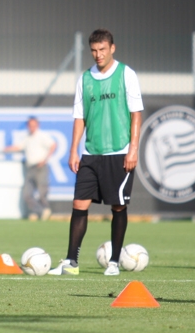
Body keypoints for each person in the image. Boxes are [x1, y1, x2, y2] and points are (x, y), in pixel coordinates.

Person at [48, 28, 143, 276]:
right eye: (94, 50)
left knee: (118, 207)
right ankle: (71, 262)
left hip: (119, 152)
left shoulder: (126, 74)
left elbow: (136, 114)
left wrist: (133, 149)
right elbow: (79, 117)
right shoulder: (85, 79)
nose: (98, 54)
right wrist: (73, 150)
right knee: (79, 204)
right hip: (91, 153)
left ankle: (113, 262)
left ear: (112, 48)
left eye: (102, 49)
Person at [4, 117, 56, 221]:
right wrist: (6, 149)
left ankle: (45, 210)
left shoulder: (42, 136)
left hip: (40, 166)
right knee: (27, 194)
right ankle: (38, 211)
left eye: (34, 125)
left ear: (37, 125)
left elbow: (53, 145)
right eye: (30, 125)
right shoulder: (27, 138)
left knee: (42, 191)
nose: (31, 127)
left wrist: (45, 159)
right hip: (30, 167)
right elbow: (19, 147)